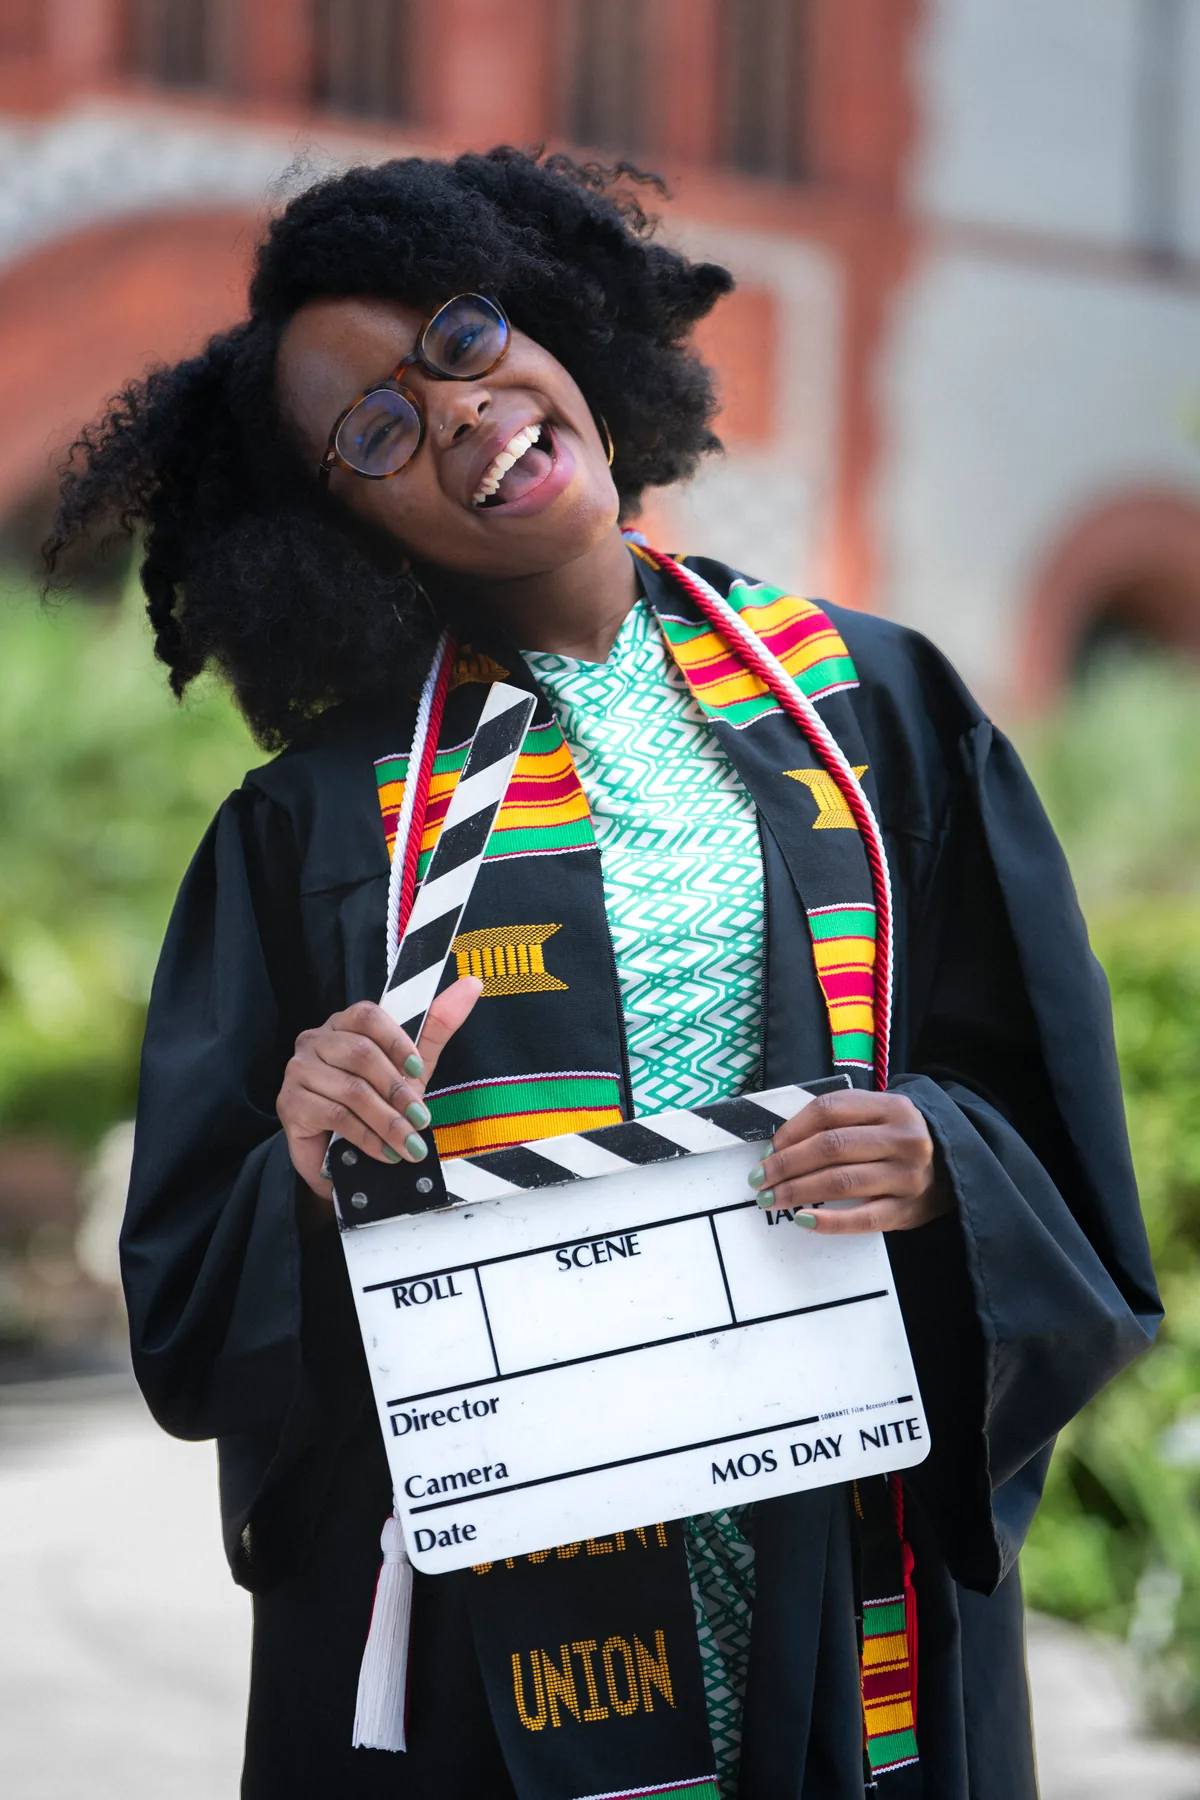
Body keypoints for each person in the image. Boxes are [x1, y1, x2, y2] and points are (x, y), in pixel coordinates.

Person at [48, 150, 1159, 1800]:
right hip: (490, 1627)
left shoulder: (881, 713)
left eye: (461, 334)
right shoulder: (316, 823)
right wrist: (305, 1162)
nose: (456, 411)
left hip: (831, 1533)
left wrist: (943, 1163)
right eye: (373, 431)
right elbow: (202, 1331)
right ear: (337, 521)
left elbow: (1050, 1137)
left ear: (557, 324)